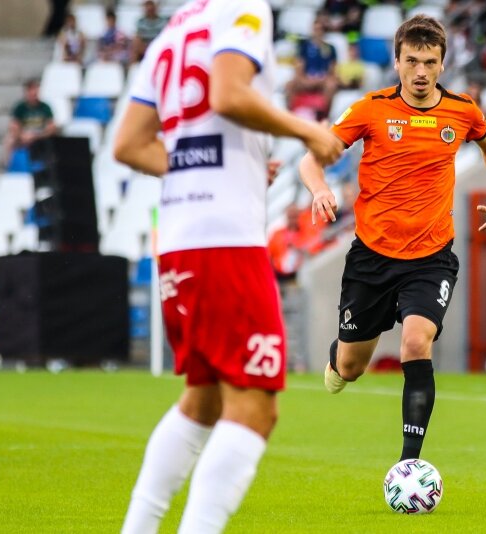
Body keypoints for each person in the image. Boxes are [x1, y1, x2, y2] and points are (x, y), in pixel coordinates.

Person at [113, 0, 342, 532]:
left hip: (180, 239)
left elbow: (128, 144)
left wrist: (226, 170)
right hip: (225, 243)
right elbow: (228, 95)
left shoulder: (173, 30)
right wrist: (308, 131)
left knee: (204, 400)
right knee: (255, 407)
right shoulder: (244, 8)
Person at [298, 15, 486, 462]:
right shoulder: (371, 109)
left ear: (442, 65)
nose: (421, 71)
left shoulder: (462, 111)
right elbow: (311, 158)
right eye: (412, 61)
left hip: (431, 258)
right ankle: (340, 354)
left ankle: (409, 464)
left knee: (416, 343)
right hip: (372, 259)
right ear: (397, 62)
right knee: (350, 368)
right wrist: (320, 189)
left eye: (430, 62)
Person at [286, 19, 339, 119]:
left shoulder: (330, 48)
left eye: (320, 29)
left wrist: (321, 80)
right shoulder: (304, 47)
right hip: (306, 79)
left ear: (324, 31)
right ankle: (289, 116)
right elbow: (299, 65)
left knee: (331, 85)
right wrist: (304, 80)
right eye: (315, 29)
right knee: (290, 85)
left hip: (323, 81)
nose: (317, 32)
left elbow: (333, 69)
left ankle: (324, 117)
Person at [3, 79, 56, 170]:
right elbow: (14, 126)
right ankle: (9, 166)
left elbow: (51, 127)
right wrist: (21, 135)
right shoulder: (20, 108)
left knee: (53, 140)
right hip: (24, 135)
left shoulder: (45, 107)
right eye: (30, 91)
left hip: (40, 136)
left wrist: (36, 136)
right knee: (9, 140)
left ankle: (50, 168)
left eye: (35, 90)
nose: (33, 94)